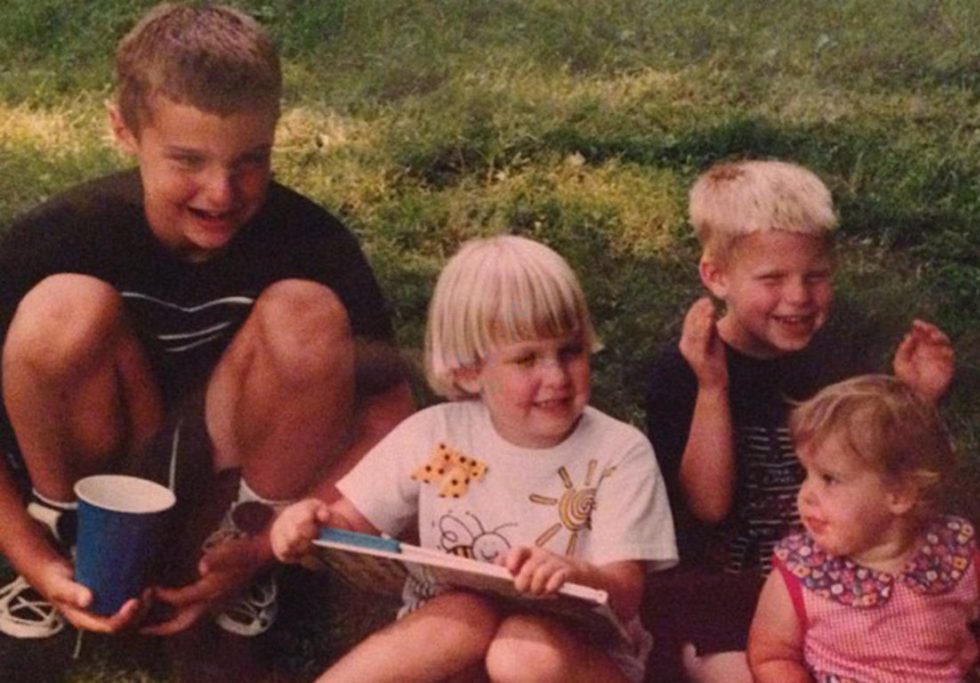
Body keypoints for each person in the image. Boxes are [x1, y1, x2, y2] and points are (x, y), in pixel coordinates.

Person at [0, 3, 414, 642]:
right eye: (188, 160)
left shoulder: (314, 242)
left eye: (251, 159)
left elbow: (392, 419)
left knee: (307, 314)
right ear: (123, 130)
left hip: (232, 477)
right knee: (63, 309)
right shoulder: (56, 239)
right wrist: (29, 553)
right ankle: (70, 543)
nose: (221, 192)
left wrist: (266, 549)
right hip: (101, 455)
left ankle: (238, 548)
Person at [270, 235, 679, 683]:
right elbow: (349, 529)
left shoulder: (615, 451)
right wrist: (308, 529)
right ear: (468, 371)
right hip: (455, 650)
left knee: (520, 651)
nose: (557, 376)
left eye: (571, 351)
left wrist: (574, 572)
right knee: (463, 615)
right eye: (527, 360)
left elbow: (625, 592)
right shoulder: (442, 441)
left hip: (575, 656)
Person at [643, 160, 955, 682]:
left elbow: (888, 481)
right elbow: (708, 506)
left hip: (836, 589)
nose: (799, 297)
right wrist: (712, 389)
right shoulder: (683, 371)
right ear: (716, 276)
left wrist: (914, 401)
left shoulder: (836, 361)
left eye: (817, 276)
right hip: (730, 597)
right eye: (772, 278)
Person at [748, 374, 980, 682]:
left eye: (829, 478)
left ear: (899, 494)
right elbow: (773, 655)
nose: (806, 493)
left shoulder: (951, 556)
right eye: (807, 473)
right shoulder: (802, 571)